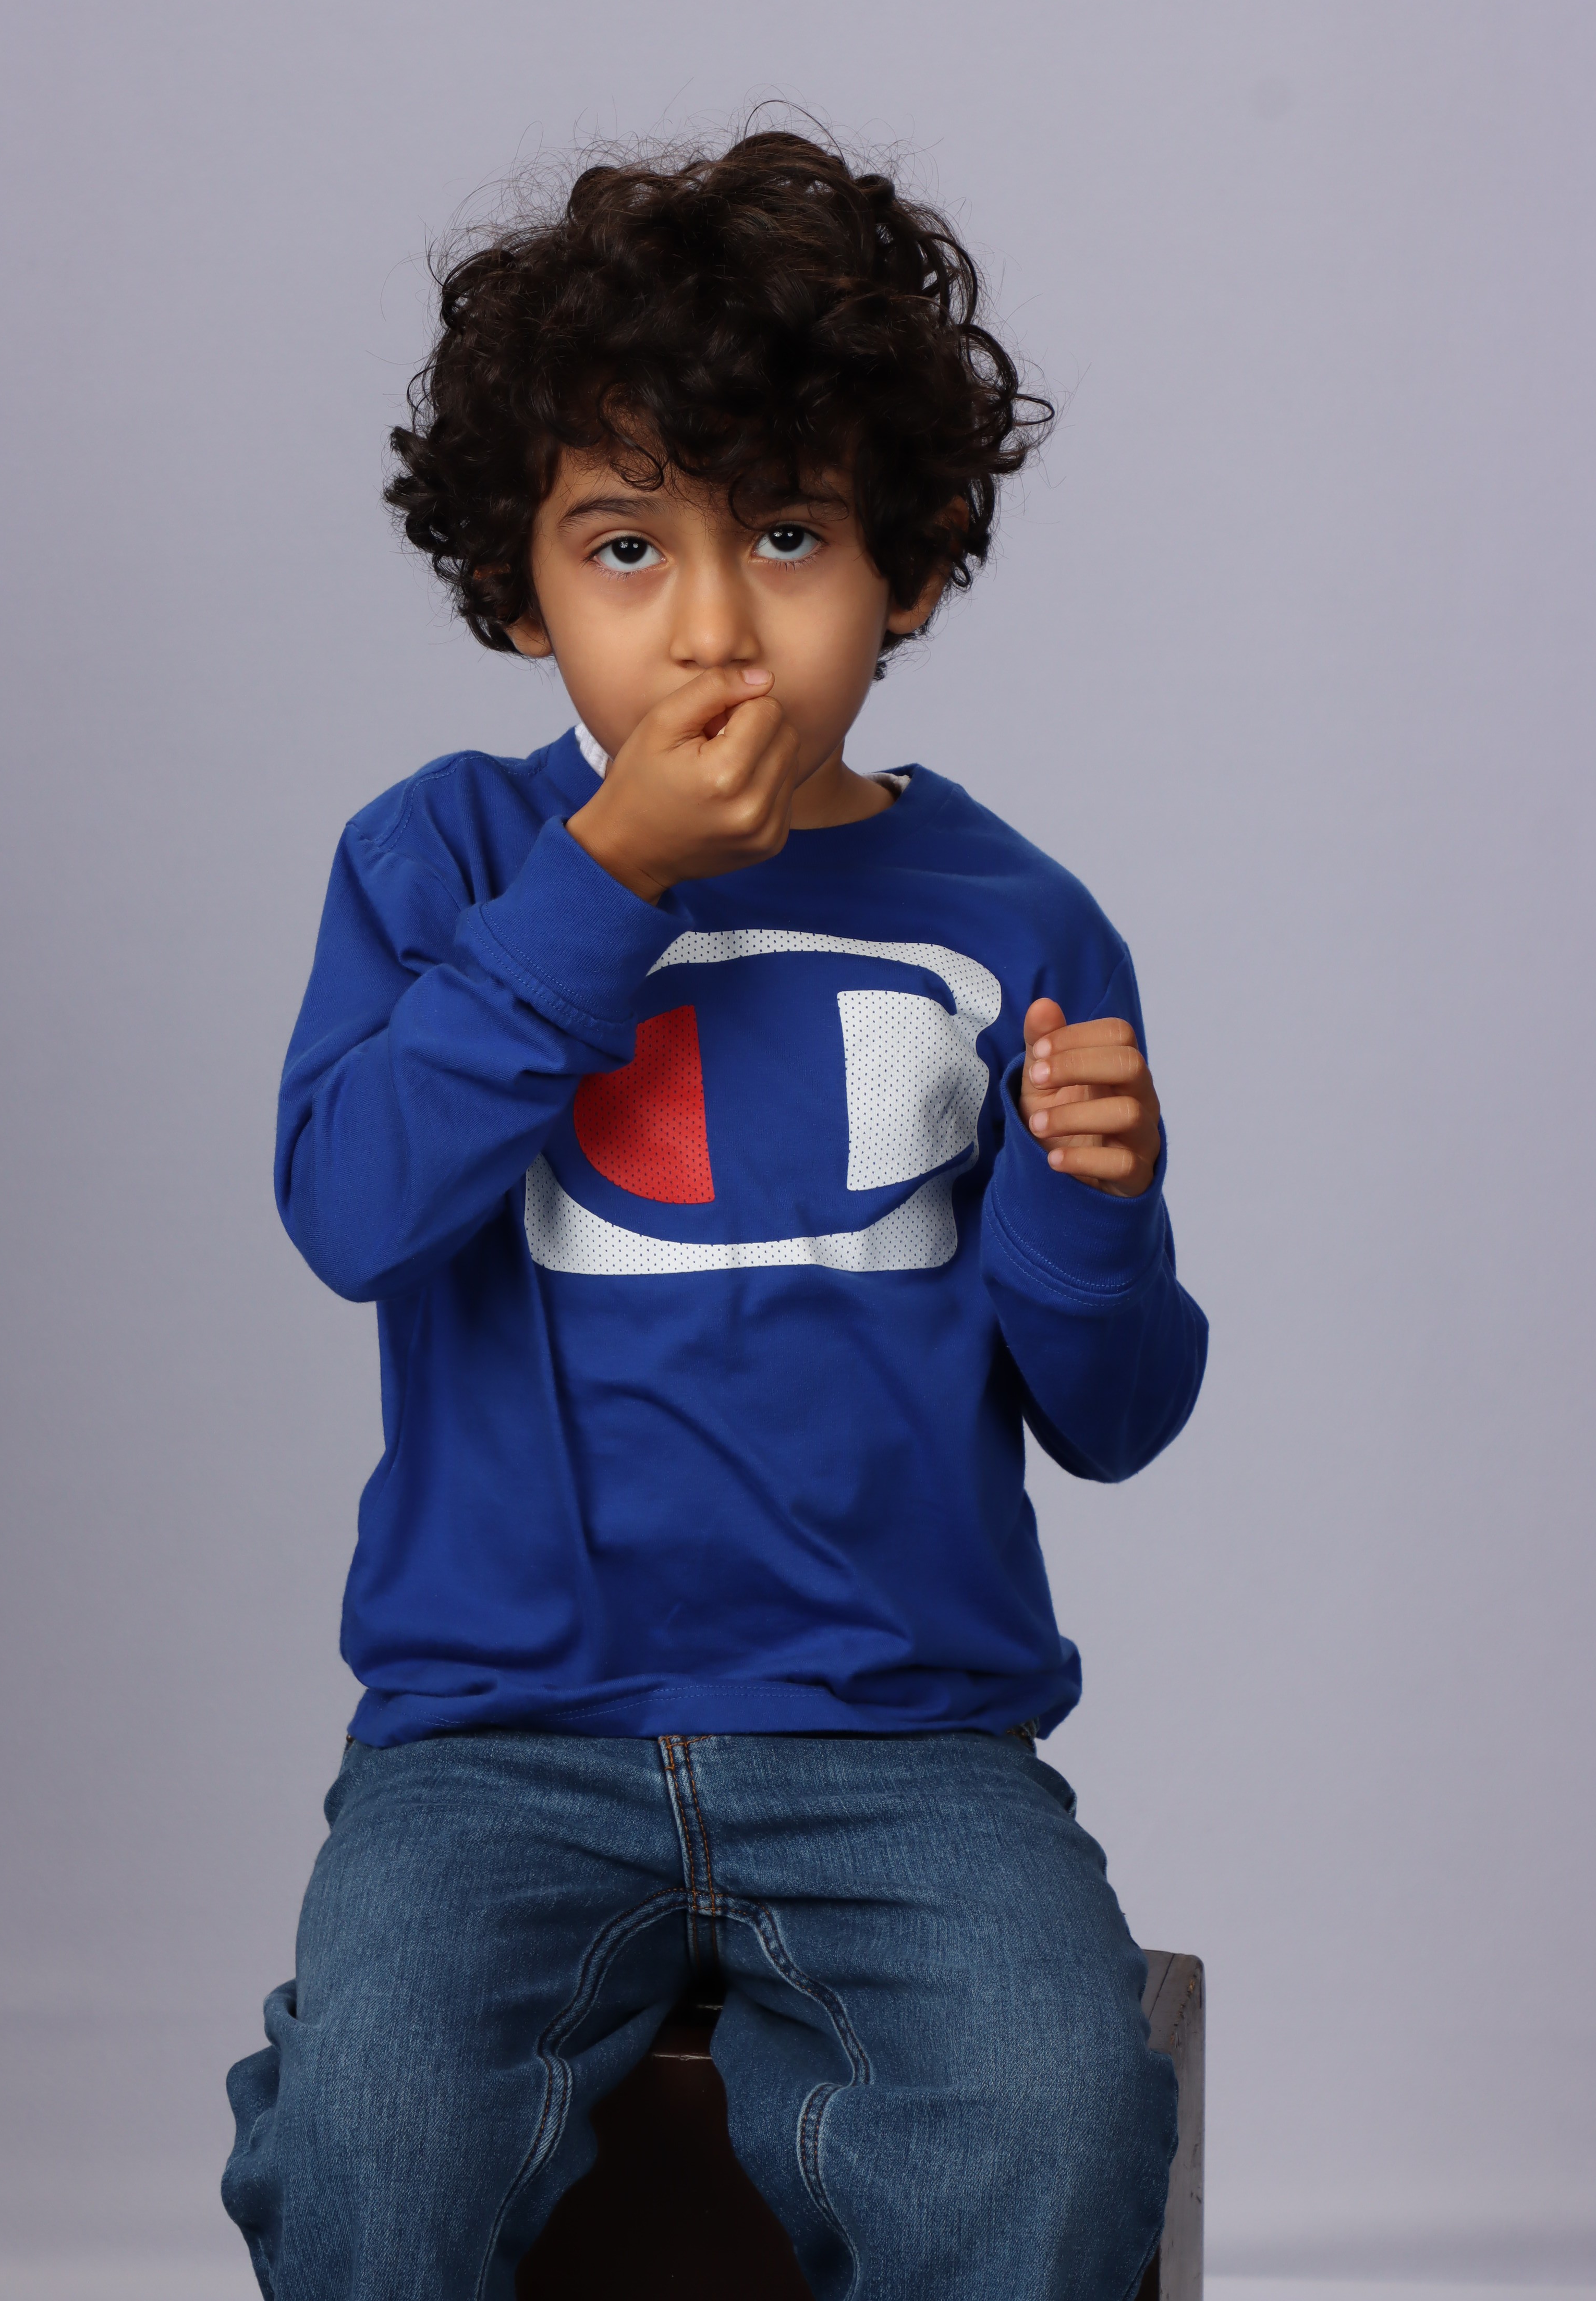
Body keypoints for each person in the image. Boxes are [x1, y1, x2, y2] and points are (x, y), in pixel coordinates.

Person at [222, 130, 1208, 2300]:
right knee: (376, 2127)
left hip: (905, 1740)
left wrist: (1091, 1206)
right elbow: (356, 1211)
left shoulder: (1013, 917)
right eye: (623, 547)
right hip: (493, 1742)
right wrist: (608, 878)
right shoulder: (440, 865)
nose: (712, 626)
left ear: (908, 574)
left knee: (1056, 2112)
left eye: (786, 536)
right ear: (519, 597)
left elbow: (1117, 1414)